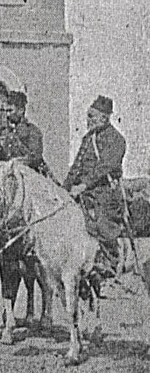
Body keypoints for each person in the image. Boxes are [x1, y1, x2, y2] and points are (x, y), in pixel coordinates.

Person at [66, 95, 127, 278]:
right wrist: (64, 188)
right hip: (84, 191)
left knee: (103, 227)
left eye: (92, 116)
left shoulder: (116, 139)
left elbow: (105, 167)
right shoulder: (88, 138)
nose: (88, 120)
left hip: (105, 192)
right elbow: (76, 166)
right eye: (88, 116)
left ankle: (109, 266)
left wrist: (83, 186)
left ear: (105, 118)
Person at [0, 91, 46, 174]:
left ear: (21, 110)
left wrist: (16, 161)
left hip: (31, 177)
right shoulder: (9, 133)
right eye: (6, 111)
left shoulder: (32, 131)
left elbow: (36, 158)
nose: (7, 115)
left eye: (10, 110)